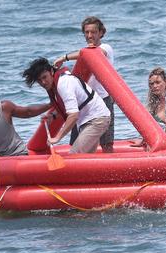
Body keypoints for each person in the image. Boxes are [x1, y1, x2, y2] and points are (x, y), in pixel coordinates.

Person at [22, 57, 111, 154]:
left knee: (74, 156)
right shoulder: (56, 84)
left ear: (51, 71)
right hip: (89, 120)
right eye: (39, 80)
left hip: (97, 119)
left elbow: (73, 115)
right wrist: (53, 116)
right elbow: (67, 106)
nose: (43, 82)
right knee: (86, 159)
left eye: (44, 77)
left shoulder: (63, 83)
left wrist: (57, 138)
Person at [53, 16, 115, 152]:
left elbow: (93, 54)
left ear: (101, 33)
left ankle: (110, 170)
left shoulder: (105, 48)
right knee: (77, 142)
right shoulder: (84, 54)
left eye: (93, 32)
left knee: (106, 143)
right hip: (85, 103)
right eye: (86, 32)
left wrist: (65, 57)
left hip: (103, 99)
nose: (89, 35)